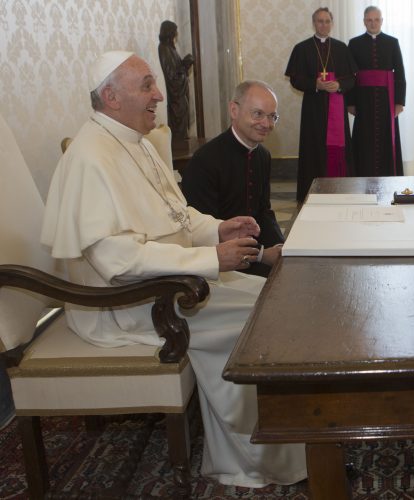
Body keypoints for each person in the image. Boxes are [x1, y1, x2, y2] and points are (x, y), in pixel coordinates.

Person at [40, 51, 306, 488]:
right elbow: (118, 261)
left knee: (273, 298)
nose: (159, 94)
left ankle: (285, 436)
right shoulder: (91, 156)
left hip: (168, 283)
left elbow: (177, 217)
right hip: (125, 304)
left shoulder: (136, 143)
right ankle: (255, 459)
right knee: (263, 322)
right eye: (147, 85)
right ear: (110, 96)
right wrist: (210, 259)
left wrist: (219, 228)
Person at [182, 80, 284, 278]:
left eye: (272, 117)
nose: (266, 124)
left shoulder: (262, 155)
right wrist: (262, 254)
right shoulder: (205, 160)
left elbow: (264, 211)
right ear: (234, 110)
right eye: (258, 114)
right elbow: (200, 231)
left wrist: (280, 246)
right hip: (220, 263)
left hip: (255, 251)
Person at [285, 7, 358, 203]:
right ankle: (313, 192)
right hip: (313, 108)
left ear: (332, 24)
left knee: (337, 149)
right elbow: (295, 79)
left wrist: (340, 85)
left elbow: (352, 79)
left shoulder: (341, 48)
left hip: (336, 106)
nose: (323, 25)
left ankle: (340, 187)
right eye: (319, 21)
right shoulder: (302, 48)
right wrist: (314, 84)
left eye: (327, 21)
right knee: (313, 147)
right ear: (313, 23)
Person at [347, 6, 406, 177]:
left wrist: (399, 102)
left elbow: (400, 73)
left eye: (376, 19)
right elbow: (350, 75)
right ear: (364, 21)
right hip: (363, 101)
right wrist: (350, 102)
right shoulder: (354, 43)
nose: (373, 23)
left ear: (381, 21)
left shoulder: (392, 42)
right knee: (364, 139)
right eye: (369, 20)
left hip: (387, 100)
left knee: (387, 139)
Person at [158, 20, 194, 141]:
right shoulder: (164, 49)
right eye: (174, 32)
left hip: (180, 94)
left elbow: (176, 69)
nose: (175, 35)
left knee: (183, 119)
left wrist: (184, 63)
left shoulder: (171, 49)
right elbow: (172, 77)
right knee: (178, 121)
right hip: (175, 96)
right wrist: (185, 66)